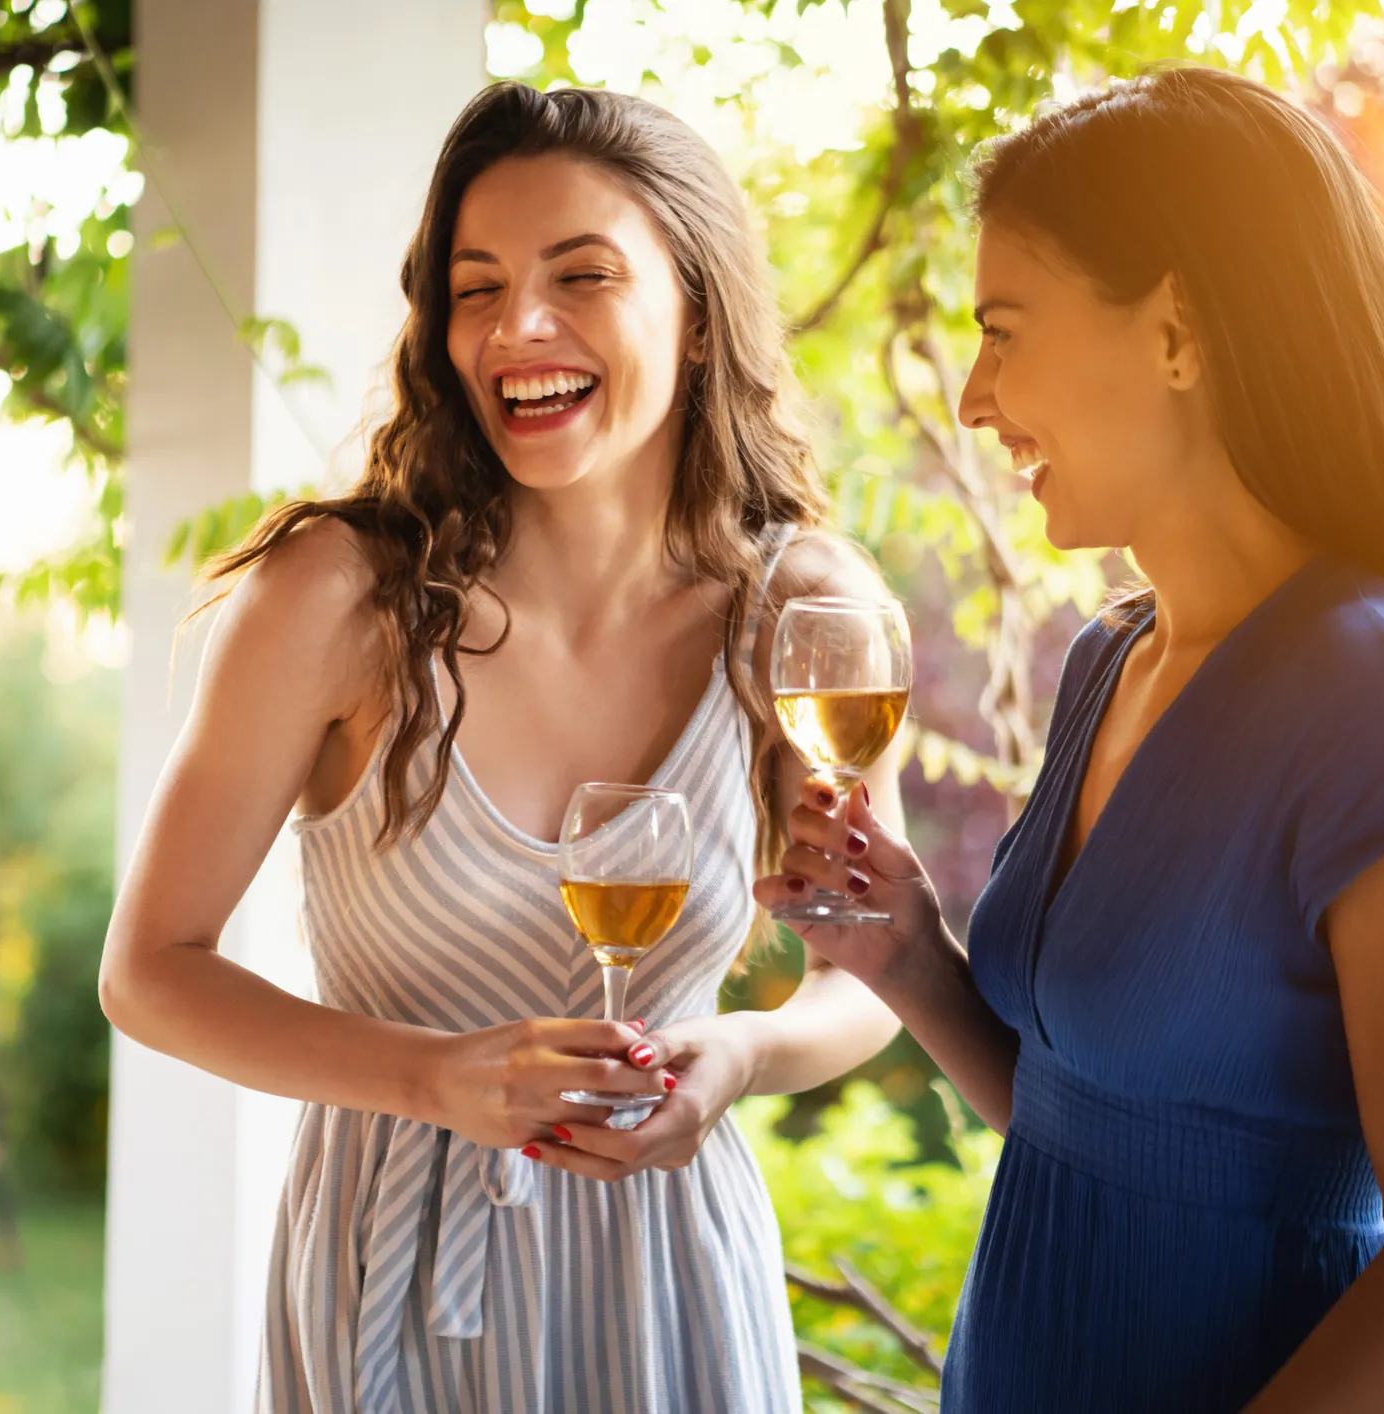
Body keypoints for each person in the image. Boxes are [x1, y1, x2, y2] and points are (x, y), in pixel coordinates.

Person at [98, 81, 902, 1414]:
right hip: (392, 1278)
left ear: (699, 314)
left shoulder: (803, 616)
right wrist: (435, 1078)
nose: (517, 328)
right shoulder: (335, 600)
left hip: (671, 1278)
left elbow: (866, 968)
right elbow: (149, 970)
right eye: (477, 289)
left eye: (582, 275)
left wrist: (744, 1056)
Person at [760, 65, 1384, 1414]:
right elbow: (1087, 1124)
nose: (974, 399)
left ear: (1178, 330)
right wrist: (908, 954)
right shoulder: (1109, 658)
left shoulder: (1380, 696)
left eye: (1004, 331)